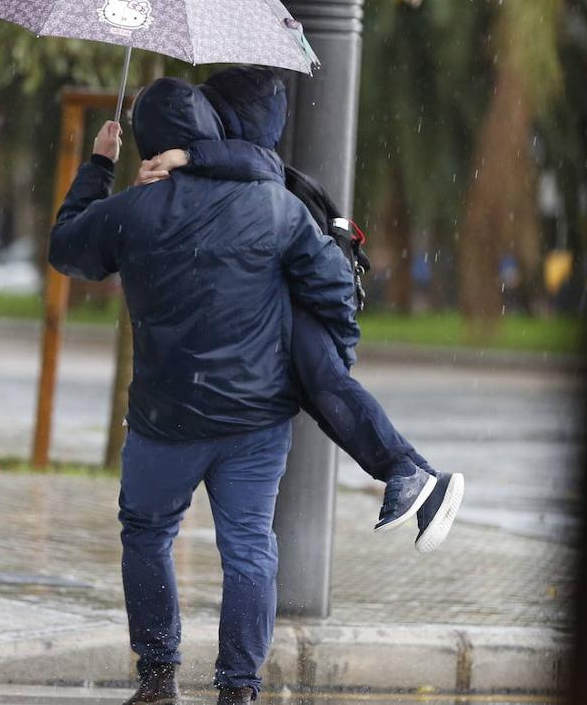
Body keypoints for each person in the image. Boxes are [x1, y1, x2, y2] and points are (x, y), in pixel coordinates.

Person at [48, 77, 357, 704]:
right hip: (256, 418)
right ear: (211, 133)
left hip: (166, 418)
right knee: (248, 547)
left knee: (146, 530)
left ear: (149, 142)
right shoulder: (274, 206)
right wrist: (327, 362)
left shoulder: (128, 212)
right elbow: (333, 285)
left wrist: (100, 165)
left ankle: (159, 676)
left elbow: (67, 250)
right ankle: (238, 689)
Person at [136, 66, 464, 550]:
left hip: (300, 307)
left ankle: (413, 475)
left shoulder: (254, 163)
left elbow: (246, 166)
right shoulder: (245, 165)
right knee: (324, 396)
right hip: (293, 306)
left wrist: (188, 154)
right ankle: (417, 478)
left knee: (328, 387)